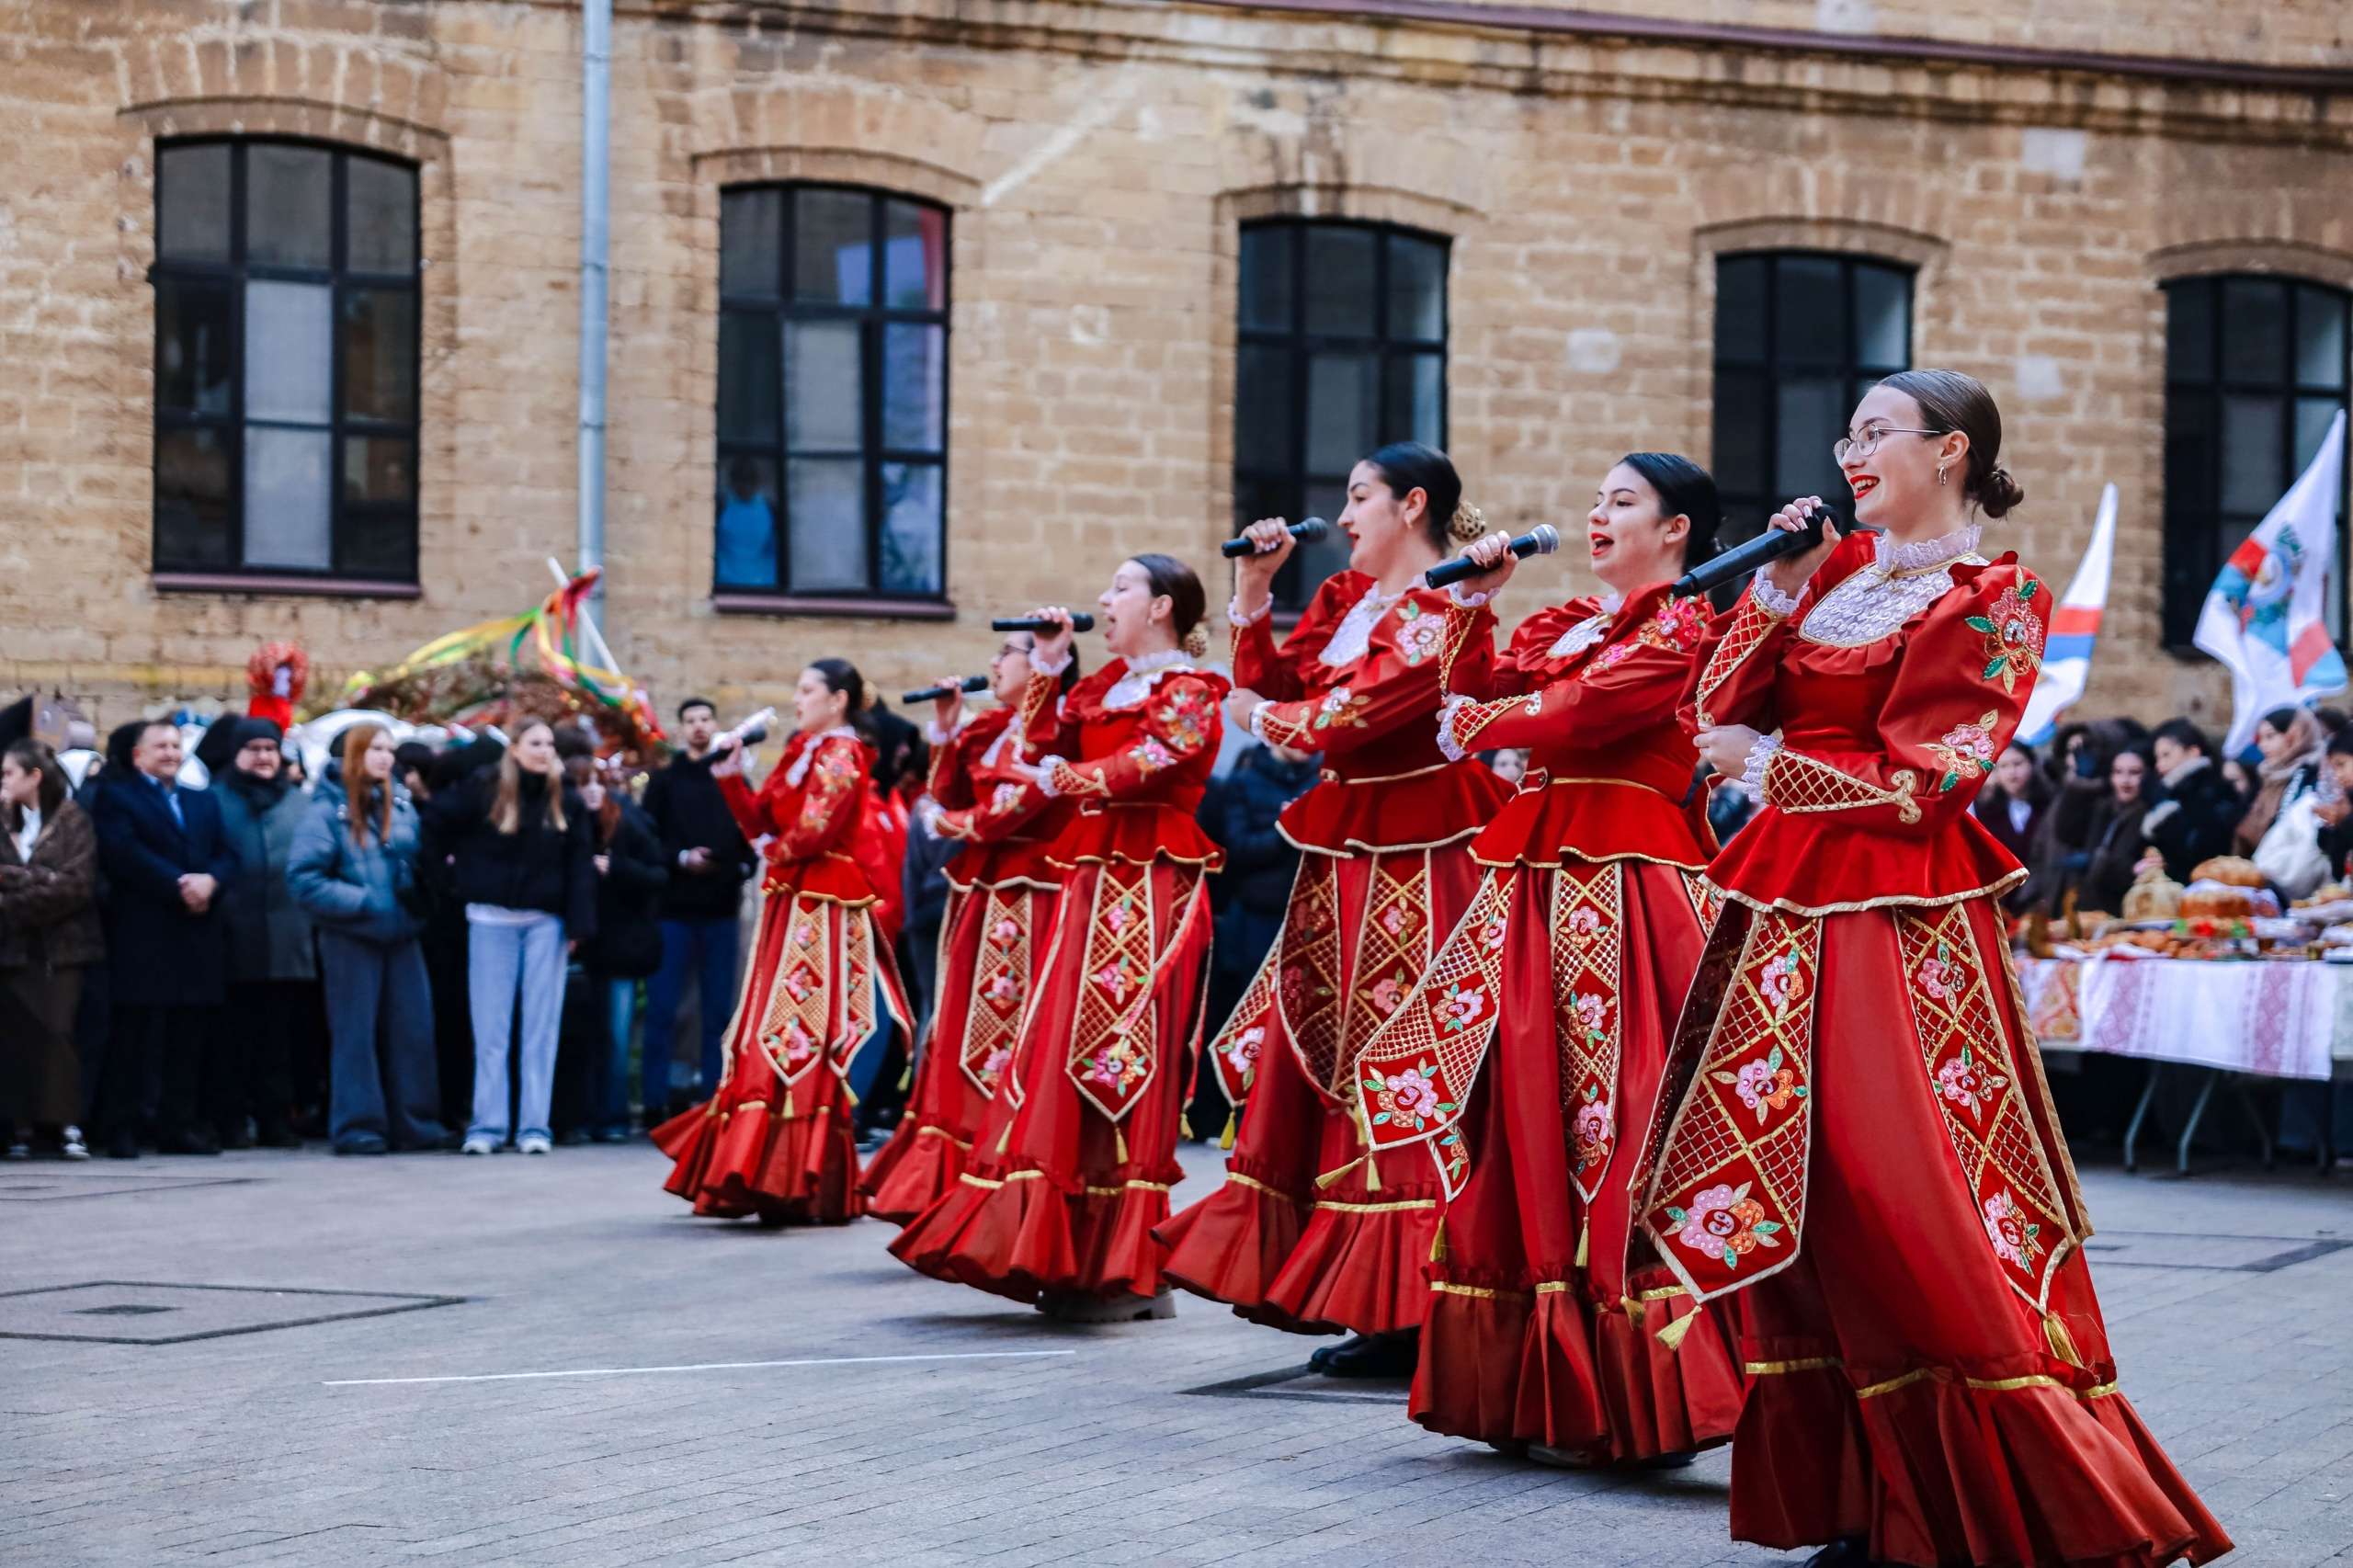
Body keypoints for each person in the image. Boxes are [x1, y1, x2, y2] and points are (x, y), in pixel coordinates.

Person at [1665, 369, 2227, 1566]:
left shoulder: (1994, 594)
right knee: (1802, 1191)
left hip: (1891, 910)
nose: (1851, 451)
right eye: (1848, 433)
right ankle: (1870, 1497)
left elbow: (1933, 778)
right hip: (1785, 898)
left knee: (1901, 1183)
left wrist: (1772, 769)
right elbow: (1710, 709)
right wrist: (1769, 588)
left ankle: (2010, 1491)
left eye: (1876, 432)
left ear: (1953, 449)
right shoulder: (1828, 579)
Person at [1342, 453, 1742, 1461]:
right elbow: (1479, 687)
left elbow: (1592, 710)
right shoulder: (1564, 621)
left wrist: (1486, 723)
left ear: (1678, 528)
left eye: (1622, 503)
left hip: (1627, 881)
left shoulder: (1683, 623)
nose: (1597, 517)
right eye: (1598, 501)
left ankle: (1644, 1387)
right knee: (1516, 1104)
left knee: (1621, 1107)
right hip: (1536, 875)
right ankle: (1522, 1382)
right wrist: (1474, 609)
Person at [1155, 442, 1514, 1372]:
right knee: (1330, 1040)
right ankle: (1355, 1287)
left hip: (1422, 848)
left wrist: (1260, 717)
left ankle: (1409, 1295)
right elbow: (1282, 681)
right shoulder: (1342, 602)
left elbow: (1357, 713)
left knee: (1402, 1047)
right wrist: (1251, 589)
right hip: (1347, 848)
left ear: (1413, 505)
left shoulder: (1444, 606)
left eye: (1359, 497)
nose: (1345, 515)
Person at [892, 556, 1225, 1320]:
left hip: (1152, 881)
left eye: (1120, 589)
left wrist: (1065, 780)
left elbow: (1153, 760)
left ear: (1163, 606)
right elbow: (1038, 742)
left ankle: (1129, 1268)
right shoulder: (1101, 686)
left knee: (1121, 1057)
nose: (1103, 601)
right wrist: (1046, 661)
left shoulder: (1193, 690)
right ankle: (1074, 1255)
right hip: (1092, 880)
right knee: (1058, 1052)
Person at [653, 660, 911, 1222]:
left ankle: (795, 1170)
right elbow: (762, 821)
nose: (796, 699)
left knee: (800, 1023)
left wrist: (776, 847)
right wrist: (729, 777)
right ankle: (767, 1162)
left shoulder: (842, 754)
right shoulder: (802, 752)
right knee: (770, 1023)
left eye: (806, 689)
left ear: (837, 699)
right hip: (792, 896)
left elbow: (814, 830)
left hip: (821, 898)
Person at [863, 633, 1077, 1222]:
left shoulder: (1055, 729)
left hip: (1028, 894)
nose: (993, 661)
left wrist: (948, 823)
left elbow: (1011, 805)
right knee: (958, 1027)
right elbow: (946, 792)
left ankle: (994, 1160)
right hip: (979, 895)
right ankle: (941, 1172)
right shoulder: (989, 730)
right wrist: (946, 730)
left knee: (1002, 1029)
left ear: (1038, 664)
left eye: (1009, 651)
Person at [433, 722, 596, 1155]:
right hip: (490, 919)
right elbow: (435, 824)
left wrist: (579, 925)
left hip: (546, 923)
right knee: (490, 1027)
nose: (544, 751)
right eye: (535, 743)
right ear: (516, 749)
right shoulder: (483, 790)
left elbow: (580, 864)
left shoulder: (567, 799)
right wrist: (455, 880)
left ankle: (534, 1126)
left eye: (549, 744)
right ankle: (487, 1125)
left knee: (540, 1028)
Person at [286, 724, 448, 1155]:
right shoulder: (325, 811)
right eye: (376, 748)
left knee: (413, 1030)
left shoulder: (401, 803)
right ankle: (359, 1126)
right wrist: (364, 901)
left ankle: (415, 1123)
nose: (385, 757)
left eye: (389, 749)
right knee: (355, 1034)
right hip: (351, 937)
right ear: (355, 754)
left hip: (402, 934)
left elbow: (416, 858)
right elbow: (303, 879)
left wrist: (421, 888)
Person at [90, 718, 237, 1158]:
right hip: (145, 932)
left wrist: (210, 881)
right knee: (135, 1037)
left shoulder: (202, 801)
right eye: (161, 746)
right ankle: (122, 1125)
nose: (171, 753)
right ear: (139, 755)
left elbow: (227, 853)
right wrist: (179, 884)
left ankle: (178, 1124)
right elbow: (124, 853)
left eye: (176, 745)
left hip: (196, 933)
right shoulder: (117, 798)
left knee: (186, 1038)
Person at [640, 698, 758, 1122]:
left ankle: (714, 1097)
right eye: (690, 721)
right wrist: (680, 858)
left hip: (721, 909)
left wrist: (742, 867)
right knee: (664, 1008)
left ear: (715, 724)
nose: (699, 727)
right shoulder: (664, 782)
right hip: (673, 910)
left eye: (706, 719)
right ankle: (655, 1100)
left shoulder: (731, 777)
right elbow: (647, 840)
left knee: (717, 1010)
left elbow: (751, 832)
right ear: (680, 729)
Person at [1194, 739, 1319, 1134]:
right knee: (1247, 1016)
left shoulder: (1321, 779)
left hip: (1308, 915)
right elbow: (1237, 848)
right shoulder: (1245, 782)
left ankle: (1292, 1119)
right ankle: (1238, 1112)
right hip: (1256, 920)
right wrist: (1285, 829)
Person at [206, 718, 314, 1148]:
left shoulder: (299, 804)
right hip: (233, 934)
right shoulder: (213, 801)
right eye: (253, 749)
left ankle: (276, 1118)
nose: (263, 757)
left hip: (288, 939)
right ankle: (231, 1119)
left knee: (280, 1037)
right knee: (231, 1036)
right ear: (236, 755)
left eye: (270, 749)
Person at [0, 739, 100, 1160]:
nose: (2, 782)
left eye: (8, 773)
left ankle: (64, 1122)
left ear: (34, 776)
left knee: (58, 1031)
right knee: (17, 1035)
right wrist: (39, 879)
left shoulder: (71, 818)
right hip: (13, 949)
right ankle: (21, 1124)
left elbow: (75, 884)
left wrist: (15, 885)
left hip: (64, 948)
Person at [576, 759, 667, 1142]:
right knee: (585, 1035)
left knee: (615, 1034)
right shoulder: (569, 823)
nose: (594, 790)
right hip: (583, 946)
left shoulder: (627, 823)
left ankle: (612, 1116)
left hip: (619, 948)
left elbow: (657, 875)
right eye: (585, 783)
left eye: (600, 782)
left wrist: (616, 868)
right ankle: (582, 1115)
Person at [2139, 719, 2242, 884]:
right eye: (2157, 758)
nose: (2159, 765)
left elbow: (2204, 848)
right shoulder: (2166, 796)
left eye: (2166, 755)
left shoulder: (2213, 791)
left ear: (2193, 752)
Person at [2234, 704, 2326, 855]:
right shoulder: (2266, 776)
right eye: (2260, 739)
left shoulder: (2315, 774)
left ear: (2295, 736)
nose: (2263, 746)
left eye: (2270, 736)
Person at [1972, 741, 2050, 912]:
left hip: (2044, 899)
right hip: (2003, 903)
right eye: (2004, 766)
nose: (2012, 773)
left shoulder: (2049, 805)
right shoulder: (1985, 811)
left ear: (2032, 764)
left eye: (2018, 764)